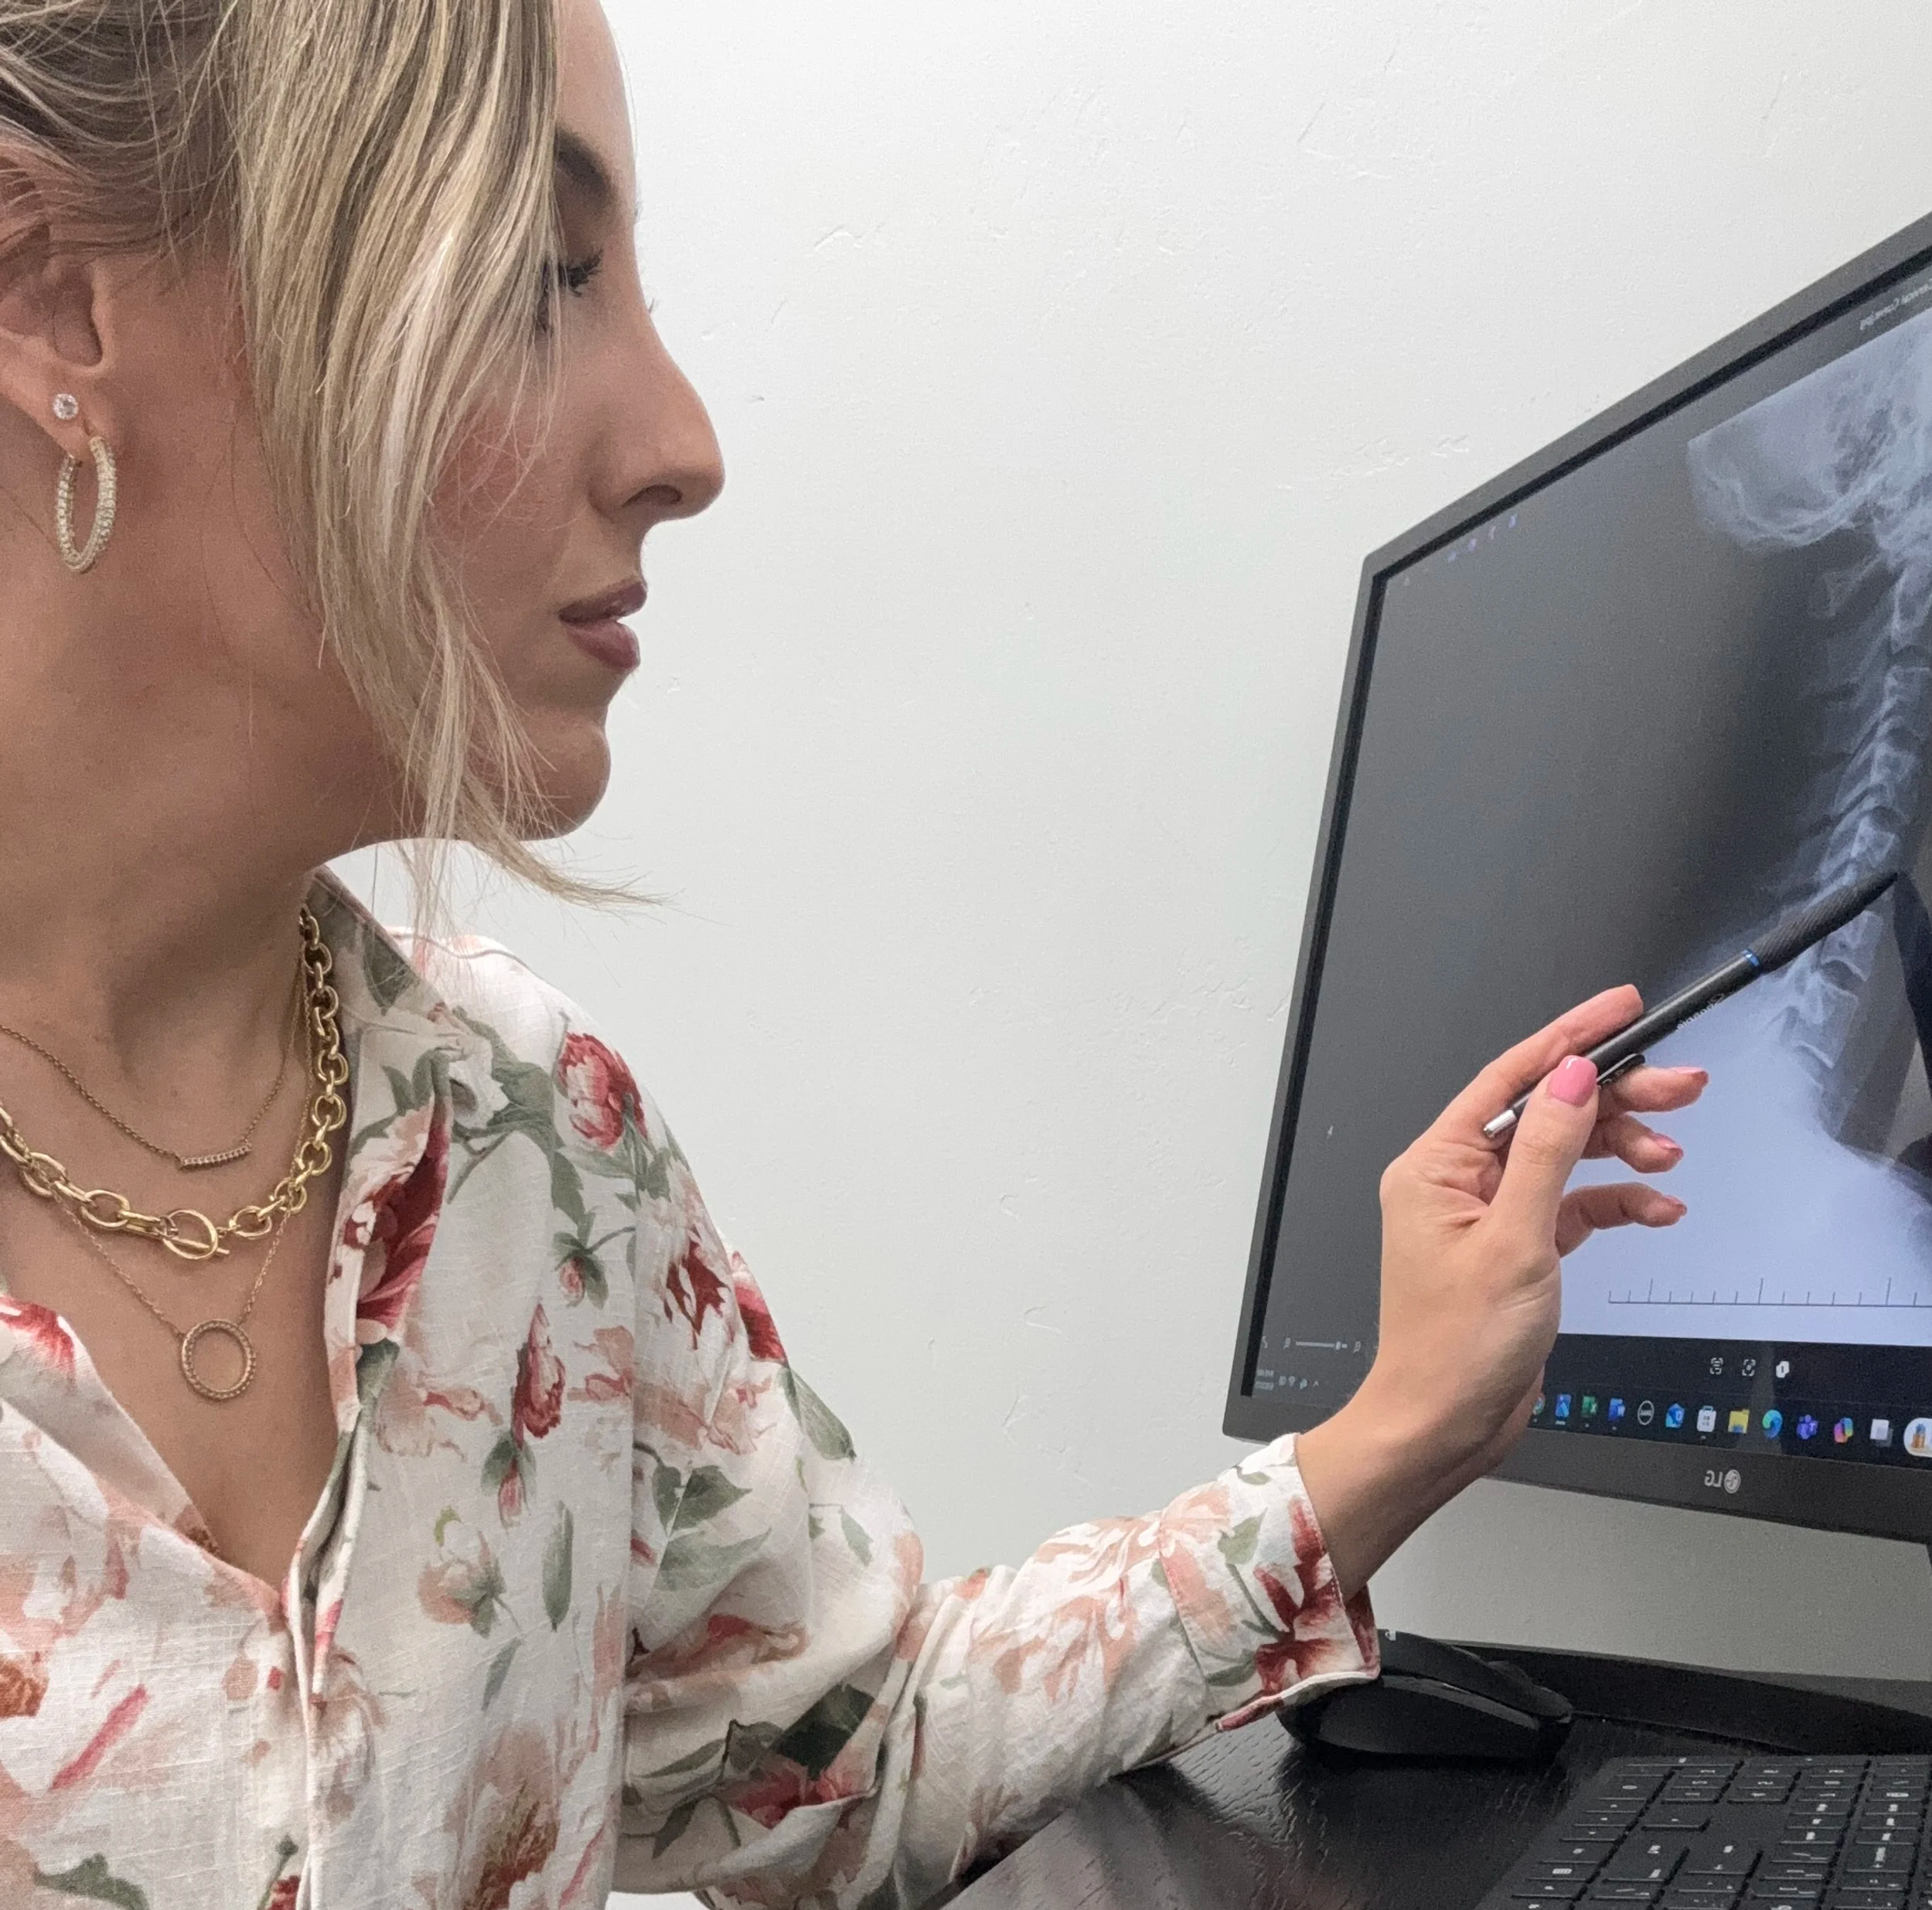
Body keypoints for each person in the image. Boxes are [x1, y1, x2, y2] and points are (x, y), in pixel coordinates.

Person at [0, 2, 1705, 1906]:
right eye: (536, 273)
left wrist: (1400, 1422)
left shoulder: (527, 1133)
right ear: (58, 298)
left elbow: (841, 1752)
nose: (682, 444)